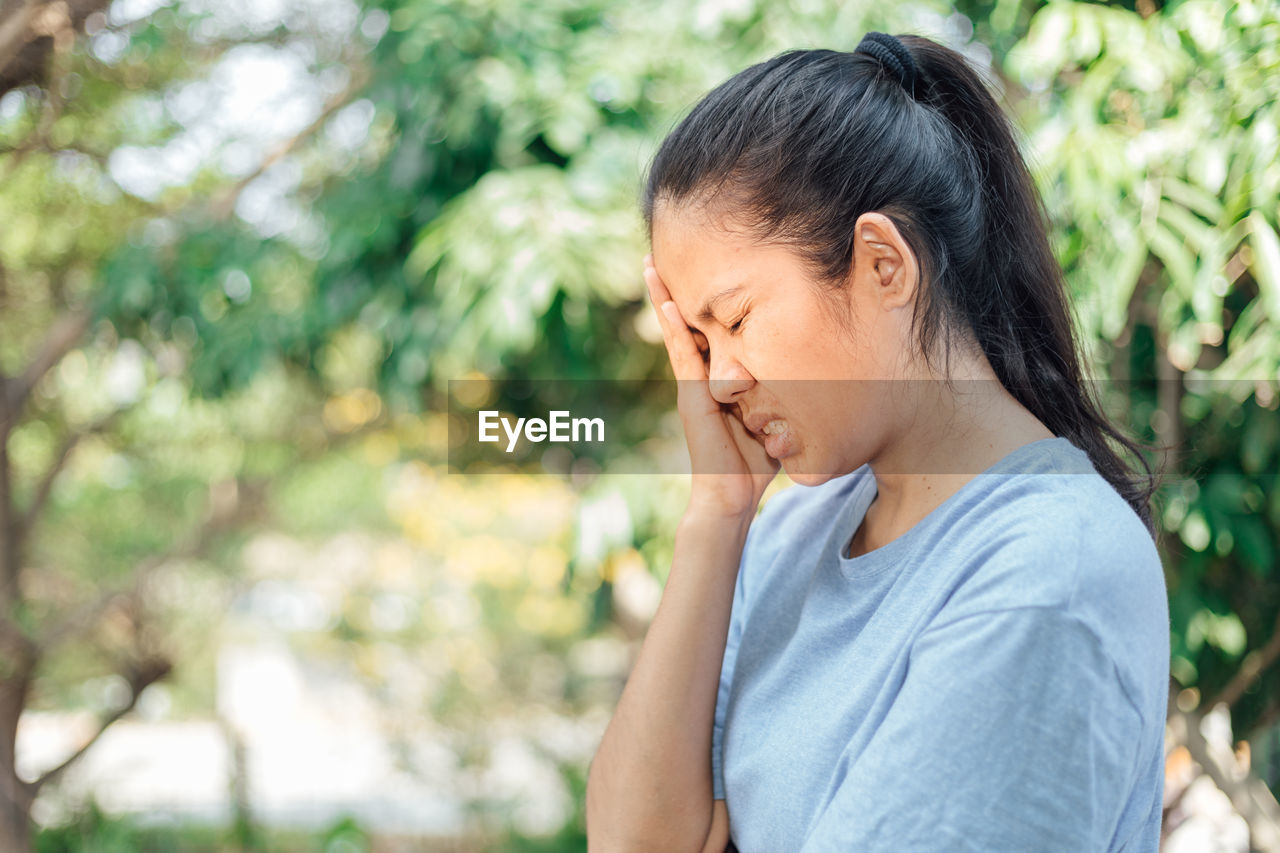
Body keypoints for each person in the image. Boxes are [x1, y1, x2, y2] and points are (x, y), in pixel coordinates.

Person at [584, 31, 1170, 852]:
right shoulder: (792, 535)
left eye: (738, 319)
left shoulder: (1048, 568)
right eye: (700, 342)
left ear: (883, 265)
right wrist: (717, 515)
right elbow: (632, 841)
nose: (717, 381)